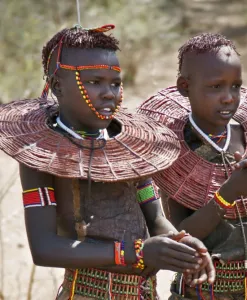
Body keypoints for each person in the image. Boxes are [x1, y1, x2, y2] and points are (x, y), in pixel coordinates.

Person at [0, 25, 216, 300]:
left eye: (115, 83)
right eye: (94, 82)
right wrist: (137, 252)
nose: (108, 93)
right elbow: (44, 248)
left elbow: (156, 218)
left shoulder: (134, 148)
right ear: (57, 86)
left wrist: (182, 243)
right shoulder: (42, 155)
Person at [138, 33, 247, 299]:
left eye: (235, 86)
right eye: (215, 87)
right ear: (184, 86)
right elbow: (183, 233)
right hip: (200, 291)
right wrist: (229, 193)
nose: (228, 98)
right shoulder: (177, 150)